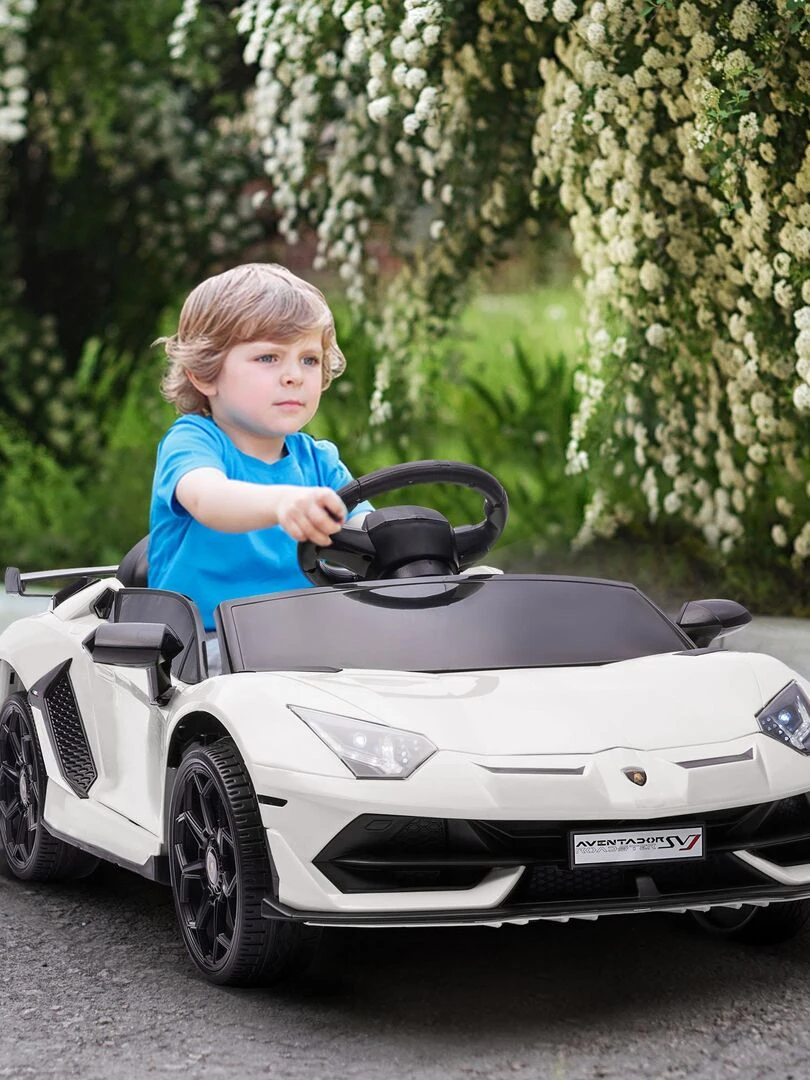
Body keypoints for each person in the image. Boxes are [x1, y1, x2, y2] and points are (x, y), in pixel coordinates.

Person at [148, 263, 372, 671]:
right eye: (268, 357)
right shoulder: (194, 441)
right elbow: (208, 498)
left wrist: (428, 557)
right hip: (204, 647)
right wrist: (283, 503)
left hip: (310, 642)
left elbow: (368, 533)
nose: (293, 376)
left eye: (308, 359)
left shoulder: (319, 460)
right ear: (204, 373)